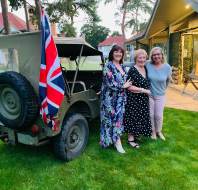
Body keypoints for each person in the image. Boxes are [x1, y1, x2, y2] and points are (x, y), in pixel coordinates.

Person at [100, 45, 132, 153]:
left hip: (120, 99)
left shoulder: (122, 66)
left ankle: (116, 140)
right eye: (116, 52)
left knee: (118, 120)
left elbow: (126, 81)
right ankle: (112, 141)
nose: (118, 54)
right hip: (110, 99)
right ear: (112, 53)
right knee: (109, 120)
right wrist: (123, 86)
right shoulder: (108, 66)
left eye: (120, 52)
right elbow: (110, 83)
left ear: (122, 54)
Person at [124, 49, 152, 148]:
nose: (142, 59)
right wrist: (143, 90)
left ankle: (136, 135)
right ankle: (130, 139)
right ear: (136, 58)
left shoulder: (146, 68)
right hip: (134, 99)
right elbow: (129, 86)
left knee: (140, 117)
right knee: (133, 117)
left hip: (143, 99)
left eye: (144, 57)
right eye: (140, 57)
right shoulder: (132, 70)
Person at [146, 47, 172, 140]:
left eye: (158, 54)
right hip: (149, 94)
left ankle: (159, 131)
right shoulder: (147, 64)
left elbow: (168, 80)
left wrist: (163, 89)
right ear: (151, 56)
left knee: (158, 115)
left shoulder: (167, 67)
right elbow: (136, 63)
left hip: (160, 95)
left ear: (162, 55)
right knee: (151, 115)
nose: (156, 56)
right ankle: (153, 131)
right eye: (154, 55)